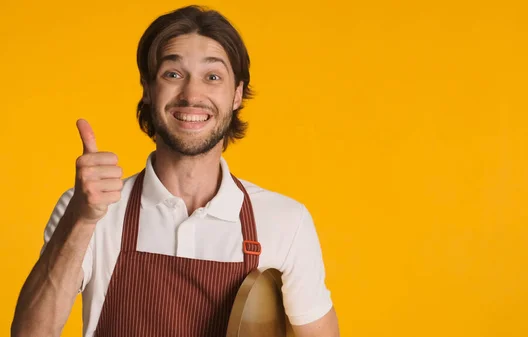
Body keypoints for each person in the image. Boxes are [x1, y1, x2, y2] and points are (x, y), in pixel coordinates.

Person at [11, 5, 339, 337]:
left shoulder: (285, 221)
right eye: (173, 74)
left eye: (213, 77)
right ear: (148, 89)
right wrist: (81, 220)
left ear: (237, 94)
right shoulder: (87, 209)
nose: (192, 94)